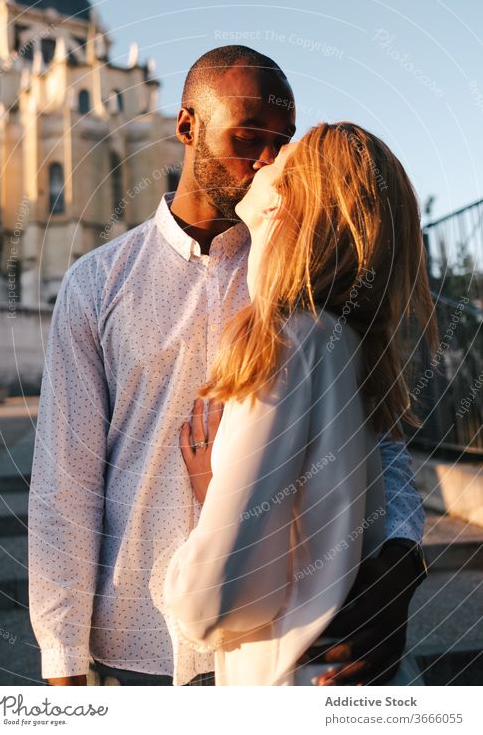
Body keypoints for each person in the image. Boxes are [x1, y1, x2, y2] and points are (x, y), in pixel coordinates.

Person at [29, 46, 428, 687]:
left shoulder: (307, 271)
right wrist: (62, 661)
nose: (268, 160)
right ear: (187, 126)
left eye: (282, 142)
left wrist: (402, 557)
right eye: (247, 138)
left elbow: (379, 432)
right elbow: (64, 483)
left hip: (276, 646)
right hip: (139, 645)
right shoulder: (96, 285)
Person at [159, 123, 437, 686]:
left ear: (286, 205)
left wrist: (214, 489)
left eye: (282, 154)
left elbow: (213, 603)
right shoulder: (348, 342)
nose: (264, 159)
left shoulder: (286, 340)